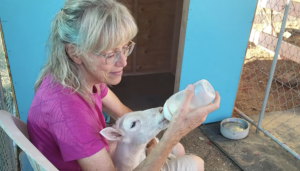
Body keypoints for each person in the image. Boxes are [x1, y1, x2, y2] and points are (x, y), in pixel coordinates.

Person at [27, 0, 221, 170]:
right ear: (75, 53)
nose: (123, 62)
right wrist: (174, 134)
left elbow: (123, 112)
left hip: (98, 157)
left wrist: (153, 141)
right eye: (110, 54)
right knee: (194, 162)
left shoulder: (79, 77)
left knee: (175, 148)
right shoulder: (68, 111)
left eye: (125, 47)